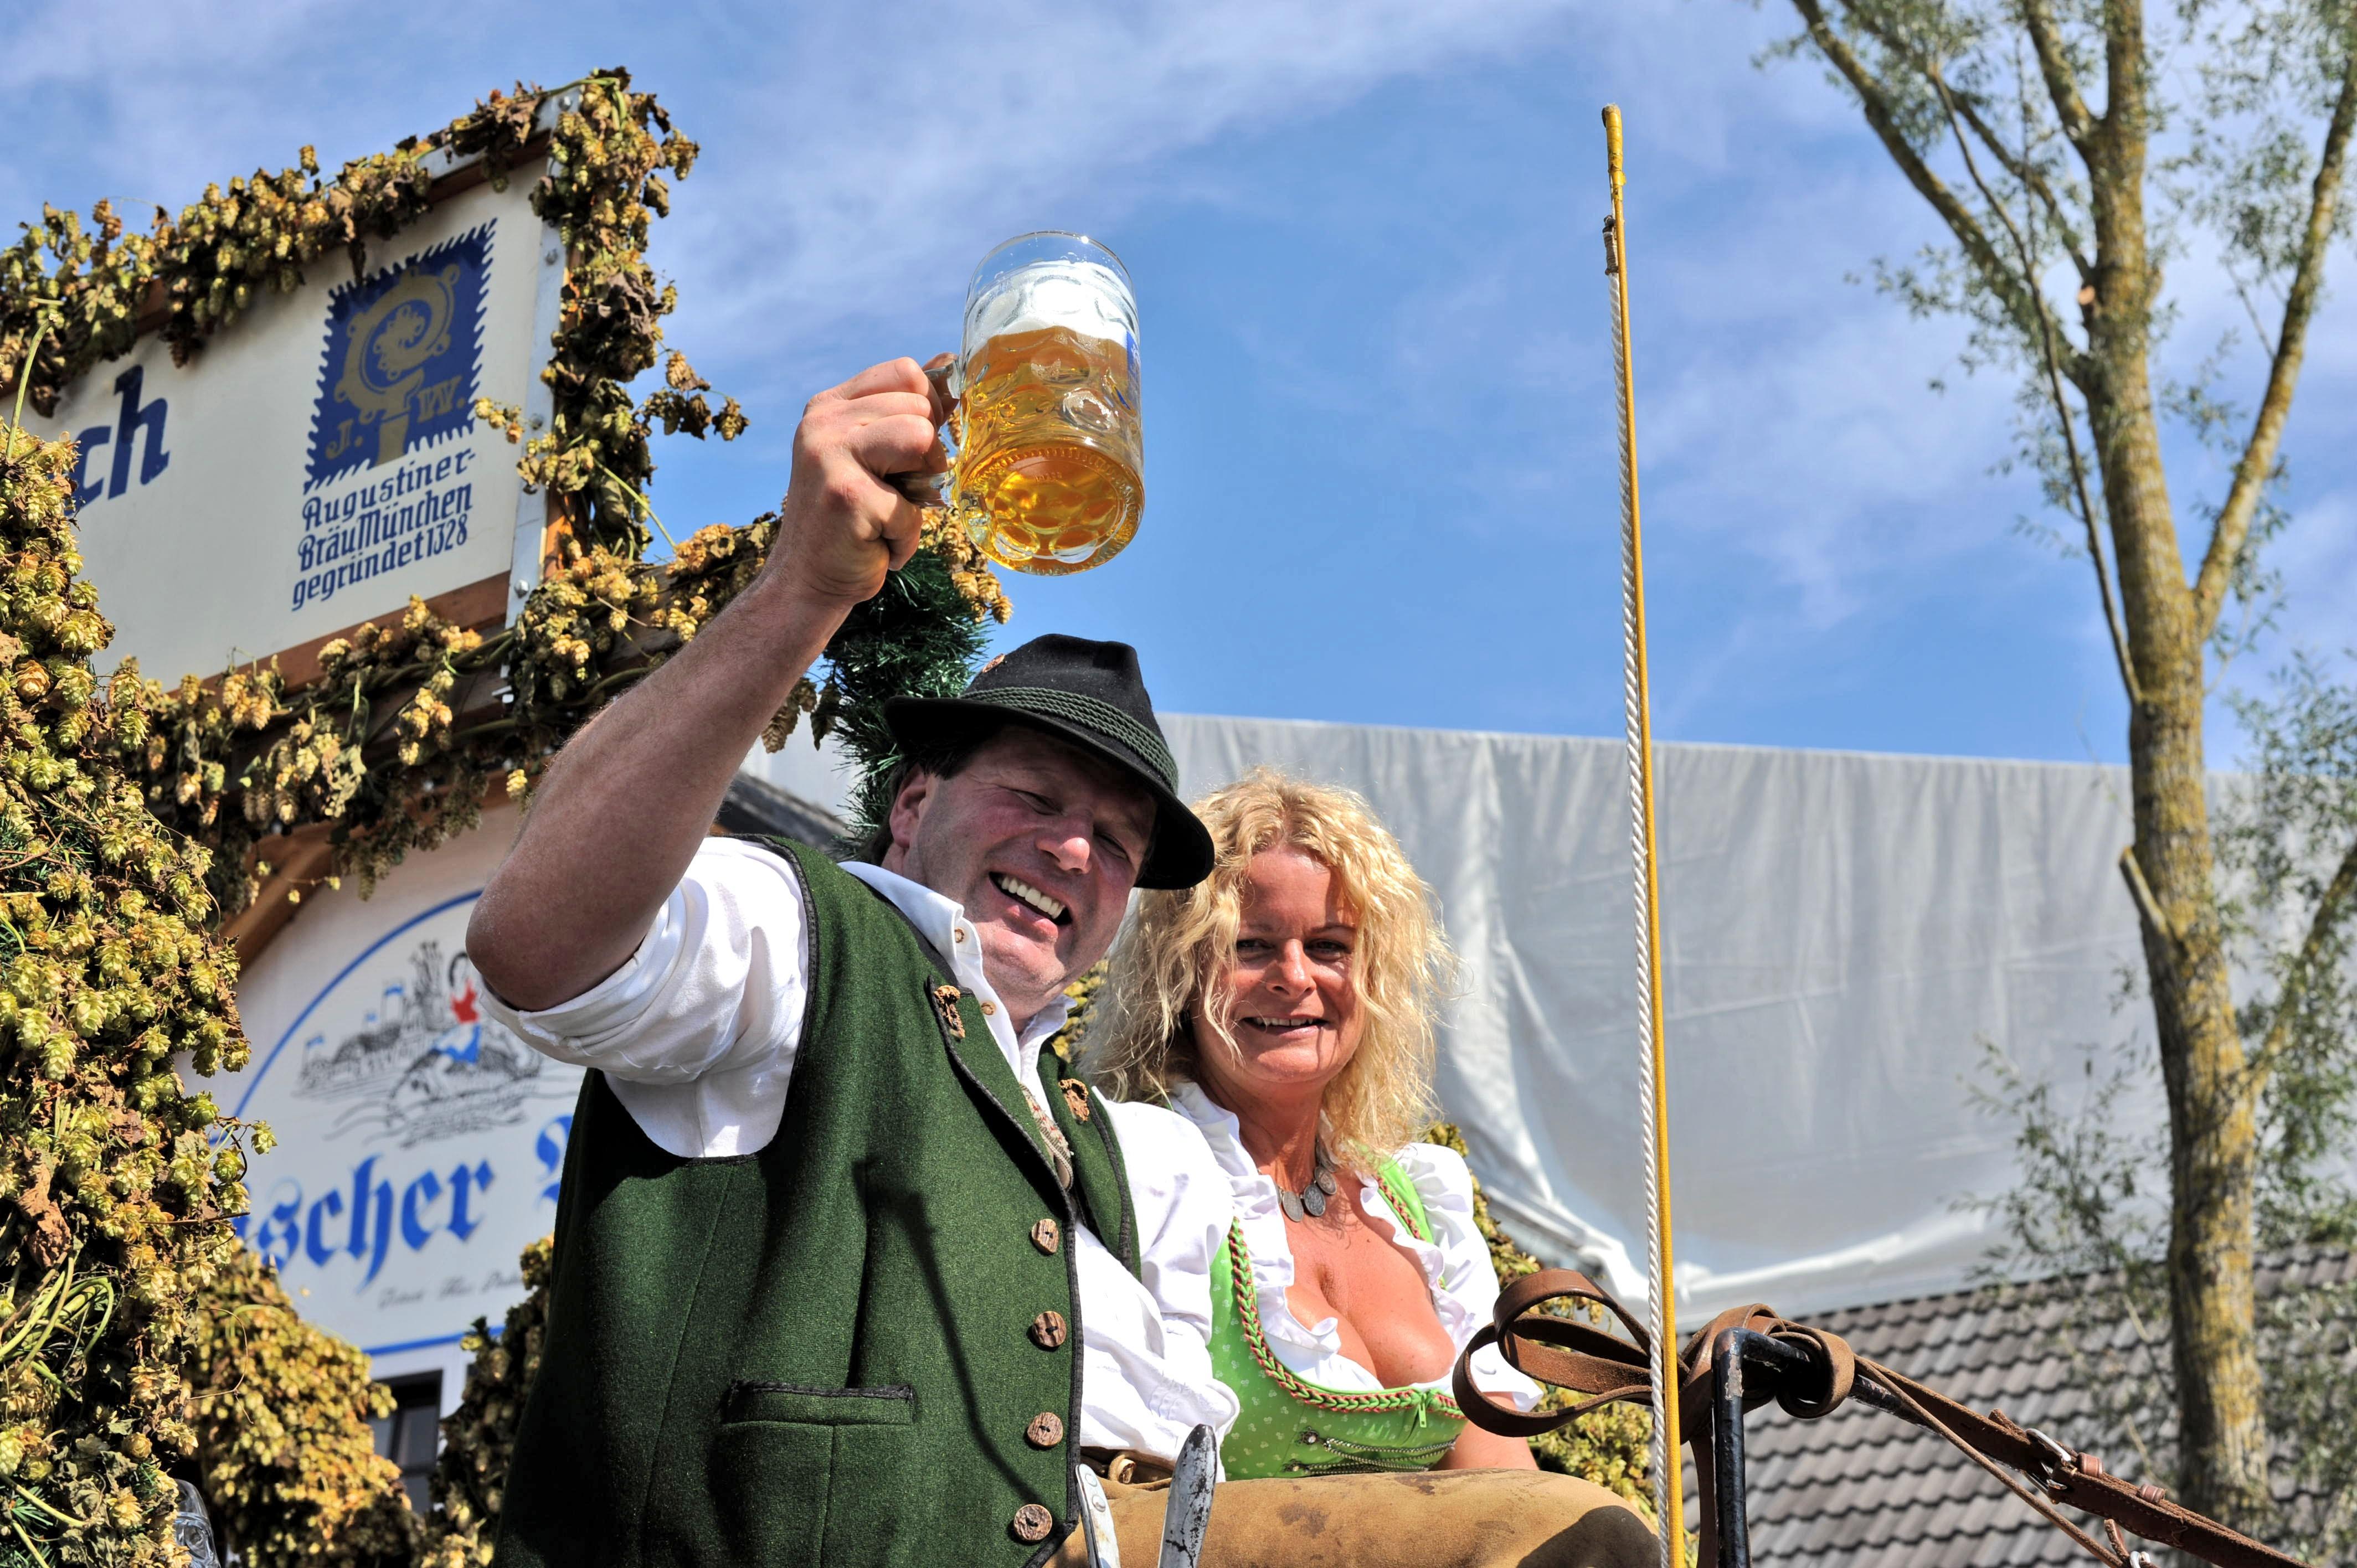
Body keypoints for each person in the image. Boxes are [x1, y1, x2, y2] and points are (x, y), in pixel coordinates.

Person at [466, 357, 1237, 1568]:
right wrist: (797, 594)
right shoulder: (795, 934)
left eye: (1118, 843)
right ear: (913, 802)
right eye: (1034, 795)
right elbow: (533, 946)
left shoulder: (1121, 1150)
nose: (1073, 850)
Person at [1077, 768, 1656, 1567]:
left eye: (1329, 947)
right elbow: (1125, 1502)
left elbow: (1504, 1496)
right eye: (1251, 946)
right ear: (1180, 975)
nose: (1295, 975)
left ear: (1373, 978)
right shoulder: (1142, 1171)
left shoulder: (1422, 1203)